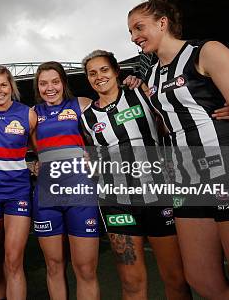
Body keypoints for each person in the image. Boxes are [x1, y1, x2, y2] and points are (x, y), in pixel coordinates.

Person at [127, 0, 229, 299]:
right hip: (189, 184)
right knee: (202, 281)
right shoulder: (156, 76)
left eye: (139, 28)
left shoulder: (206, 51)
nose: (134, 37)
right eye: (130, 31)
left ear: (162, 23)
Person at [81, 50, 191, 300]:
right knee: (131, 282)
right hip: (118, 204)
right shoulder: (86, 118)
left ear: (116, 71)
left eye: (104, 70)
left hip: (157, 198)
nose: (99, 76)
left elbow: (176, 115)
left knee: (175, 277)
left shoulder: (140, 93)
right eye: (92, 73)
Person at [32, 61, 100, 300]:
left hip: (80, 192)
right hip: (46, 195)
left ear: (63, 82)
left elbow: (112, 110)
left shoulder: (81, 104)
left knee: (85, 269)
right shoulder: (33, 114)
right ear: (37, 87)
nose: (49, 88)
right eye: (43, 83)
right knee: (53, 265)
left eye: (54, 81)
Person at [0, 65, 37, 300]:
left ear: (11, 86)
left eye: (3, 85)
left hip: (18, 193)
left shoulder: (27, 114)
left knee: (13, 259)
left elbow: (40, 149)